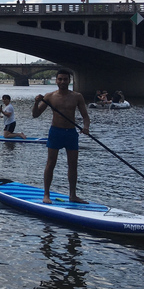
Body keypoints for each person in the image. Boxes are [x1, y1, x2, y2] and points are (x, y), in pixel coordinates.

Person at [32, 68, 91, 204]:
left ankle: (73, 195)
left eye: (65, 79)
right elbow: (35, 115)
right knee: (51, 163)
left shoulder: (77, 96)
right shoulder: (49, 96)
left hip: (71, 133)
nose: (62, 82)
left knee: (73, 165)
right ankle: (46, 195)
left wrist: (86, 127)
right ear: (56, 80)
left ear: (69, 80)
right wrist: (36, 102)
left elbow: (85, 117)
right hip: (56, 132)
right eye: (60, 79)